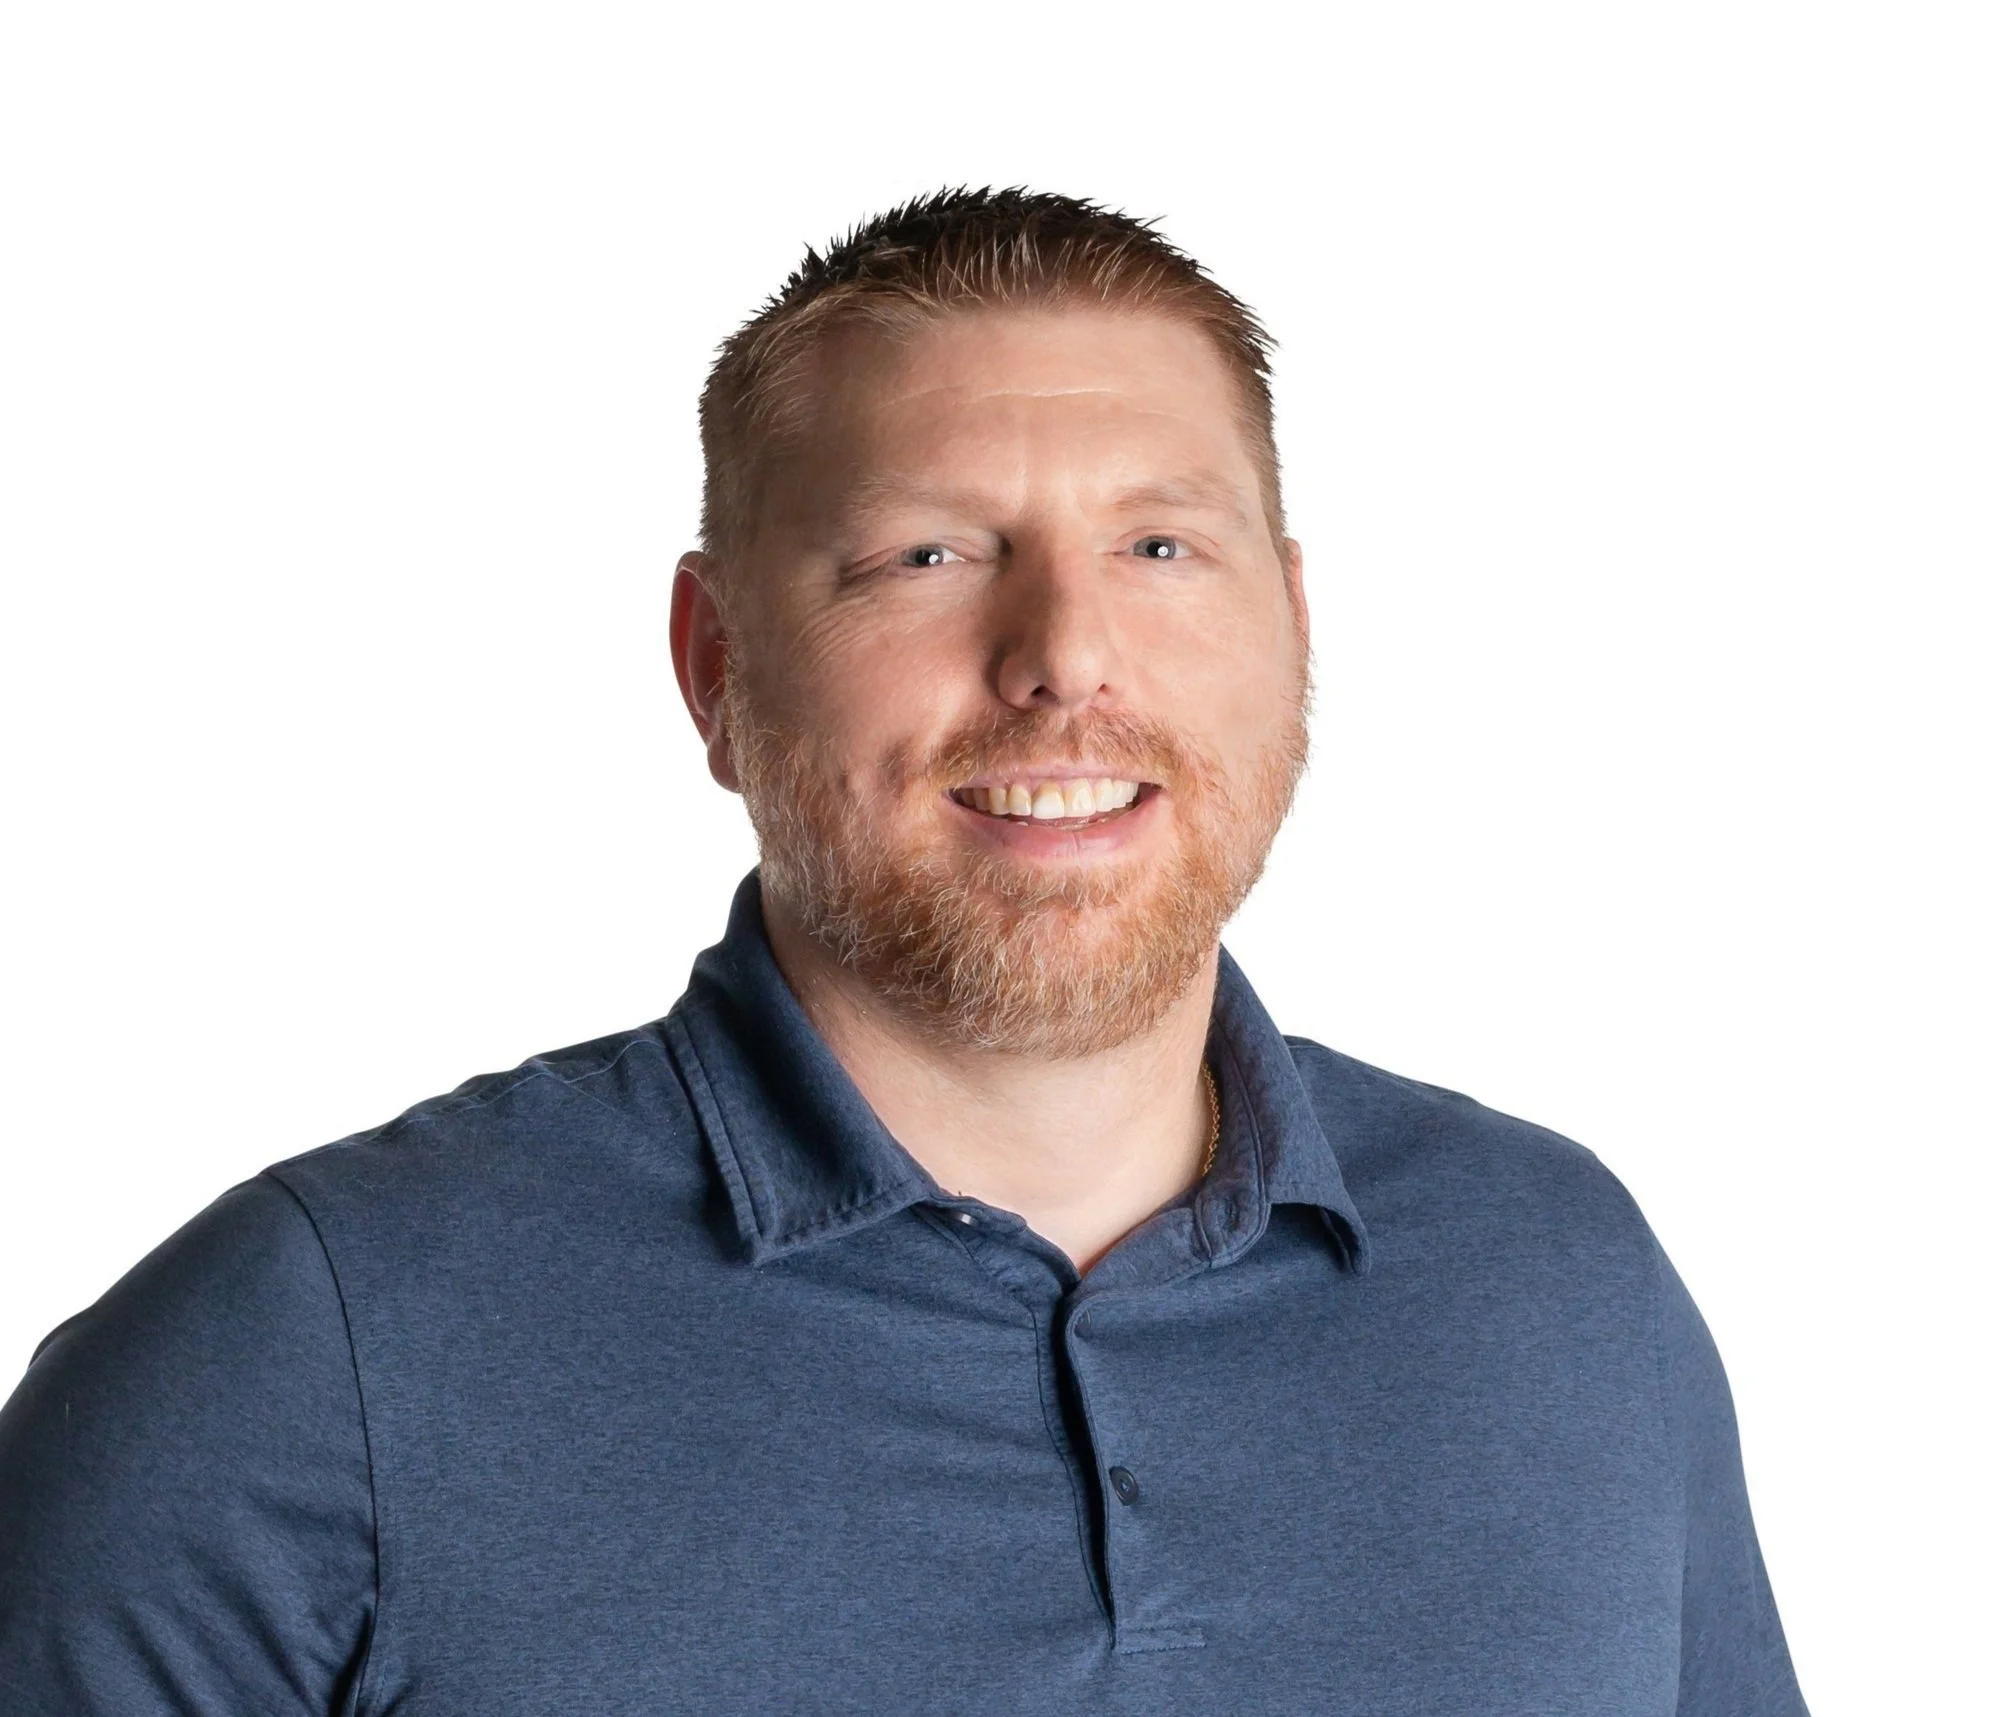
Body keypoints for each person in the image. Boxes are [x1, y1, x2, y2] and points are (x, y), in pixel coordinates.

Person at [0, 187, 1808, 1715]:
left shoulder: (1559, 1284)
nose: (1061, 657)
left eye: (1163, 545)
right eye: (929, 557)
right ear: (716, 669)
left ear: (1293, 626)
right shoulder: (302, 1353)